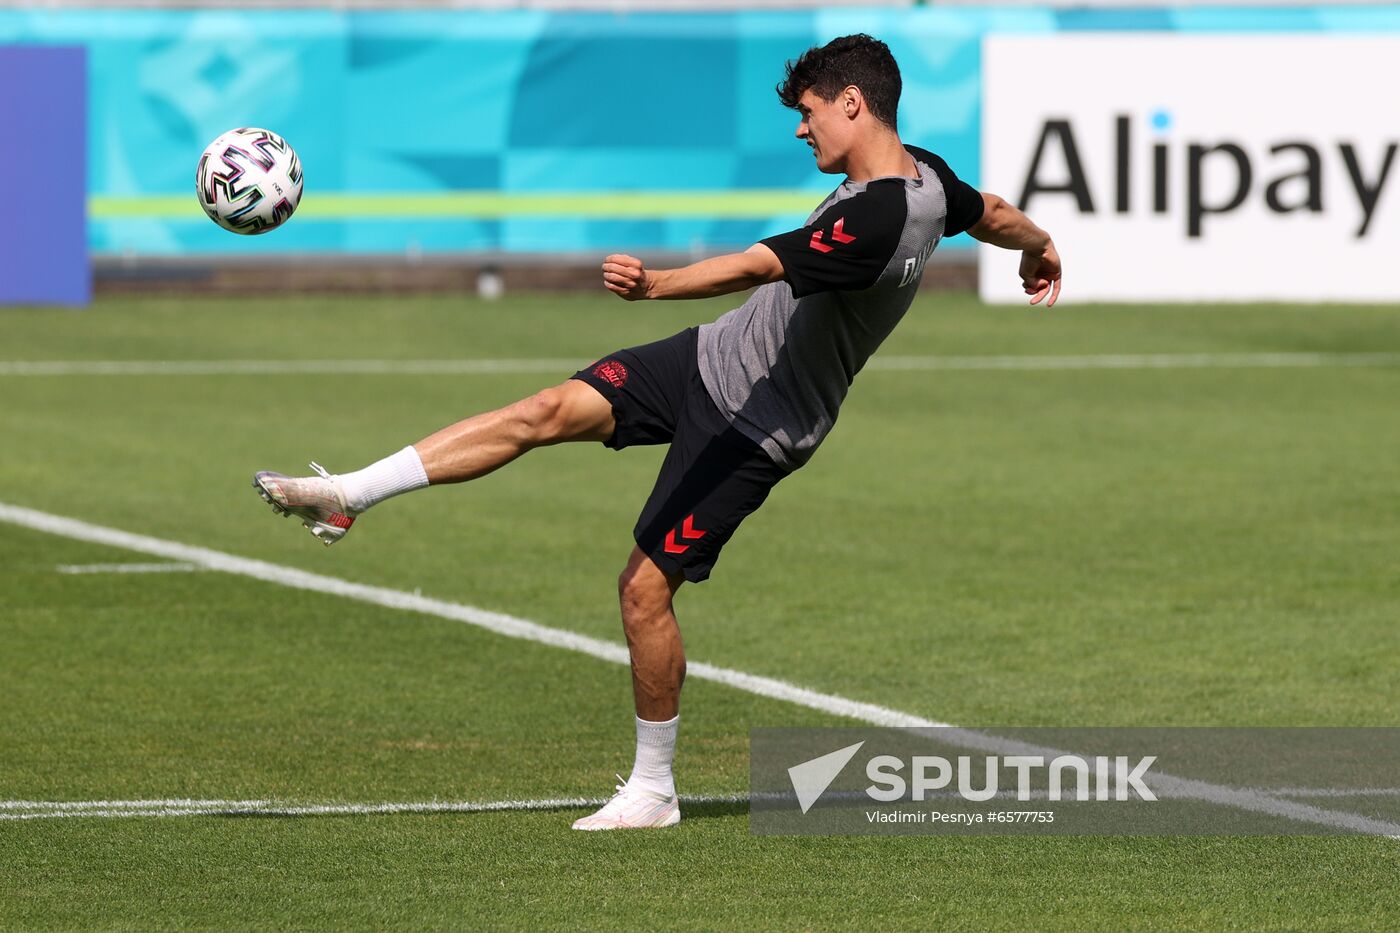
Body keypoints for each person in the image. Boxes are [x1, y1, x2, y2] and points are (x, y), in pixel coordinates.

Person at [252, 34, 1061, 831]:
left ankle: (654, 790)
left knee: (642, 591)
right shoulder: (923, 175)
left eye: (809, 112)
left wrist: (654, 284)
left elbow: (757, 265)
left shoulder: (883, 216)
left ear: (853, 103)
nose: (800, 128)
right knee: (546, 410)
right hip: (711, 357)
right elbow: (985, 210)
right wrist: (1042, 245)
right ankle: (349, 495)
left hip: (757, 423)